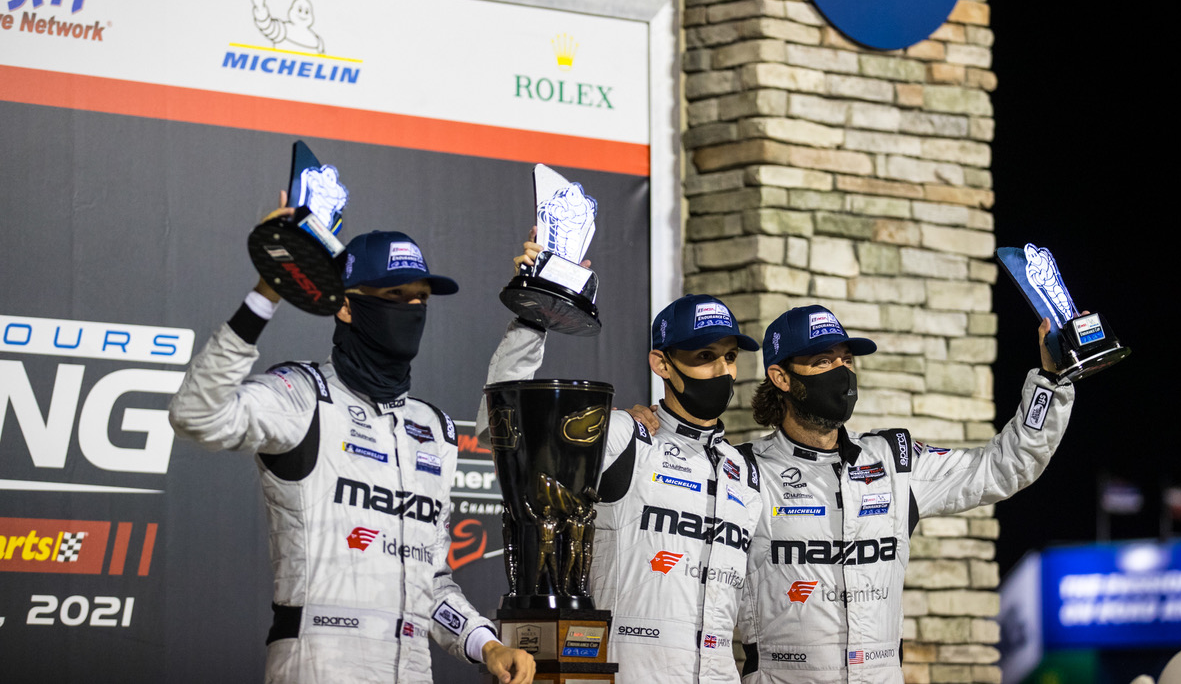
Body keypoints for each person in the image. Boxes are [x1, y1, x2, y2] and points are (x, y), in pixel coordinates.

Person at [168, 204, 535, 684]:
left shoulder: (433, 428)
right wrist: (266, 294)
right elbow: (196, 414)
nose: (412, 310)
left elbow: (431, 582)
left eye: (421, 298)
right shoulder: (302, 395)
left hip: (412, 668)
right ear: (345, 304)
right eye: (395, 295)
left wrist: (482, 642)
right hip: (320, 663)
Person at [736, 304, 1076, 684]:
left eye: (847, 360)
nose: (842, 373)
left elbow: (1005, 465)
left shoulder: (894, 459)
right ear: (781, 377)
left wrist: (1050, 381)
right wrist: (653, 431)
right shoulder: (741, 471)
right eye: (822, 362)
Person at [478, 234, 765, 683]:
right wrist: (532, 314)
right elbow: (509, 429)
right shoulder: (624, 434)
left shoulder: (745, 472)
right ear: (661, 363)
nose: (724, 371)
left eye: (730, 357)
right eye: (705, 356)